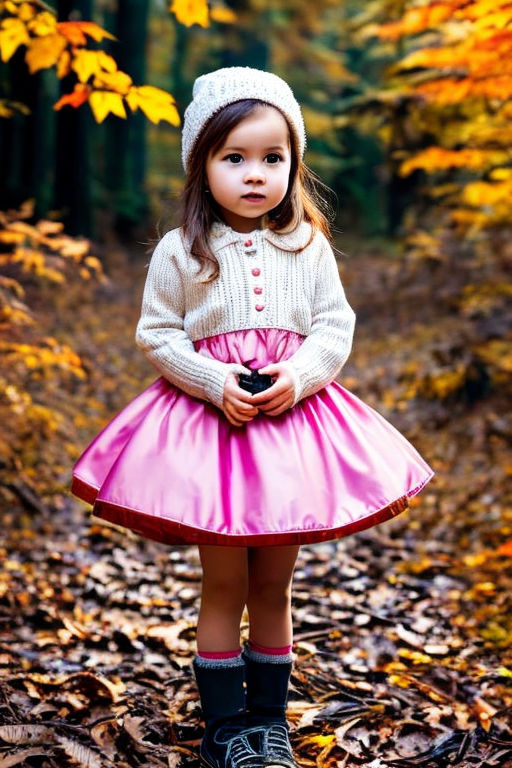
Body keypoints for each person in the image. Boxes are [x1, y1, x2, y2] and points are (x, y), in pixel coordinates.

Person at [71, 67, 434, 768]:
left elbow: (334, 327)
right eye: (233, 157)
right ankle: (224, 729)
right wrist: (212, 380)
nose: (254, 173)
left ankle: (267, 724)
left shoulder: (308, 247)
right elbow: (157, 333)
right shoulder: (182, 251)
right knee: (225, 580)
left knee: (274, 582)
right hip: (215, 428)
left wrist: (299, 377)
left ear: (293, 164)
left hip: (289, 428)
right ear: (201, 165)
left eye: (273, 158)